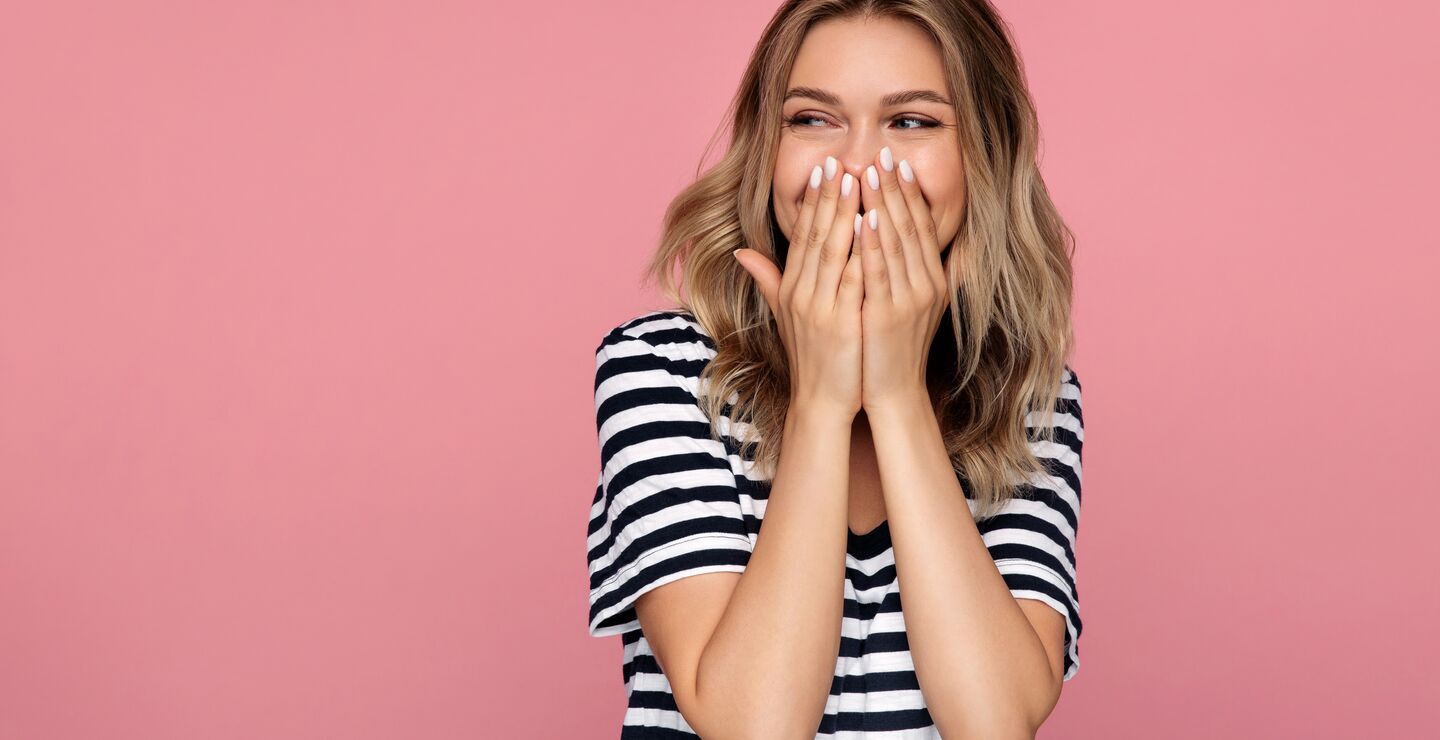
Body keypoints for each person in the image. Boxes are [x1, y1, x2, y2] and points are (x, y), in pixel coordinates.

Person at [586, 1, 1083, 736]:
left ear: (985, 158)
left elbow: (995, 722)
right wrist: (822, 399)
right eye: (813, 120)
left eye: (912, 122)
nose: (854, 167)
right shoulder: (658, 373)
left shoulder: (1032, 400)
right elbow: (750, 725)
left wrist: (895, 393)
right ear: (766, 151)